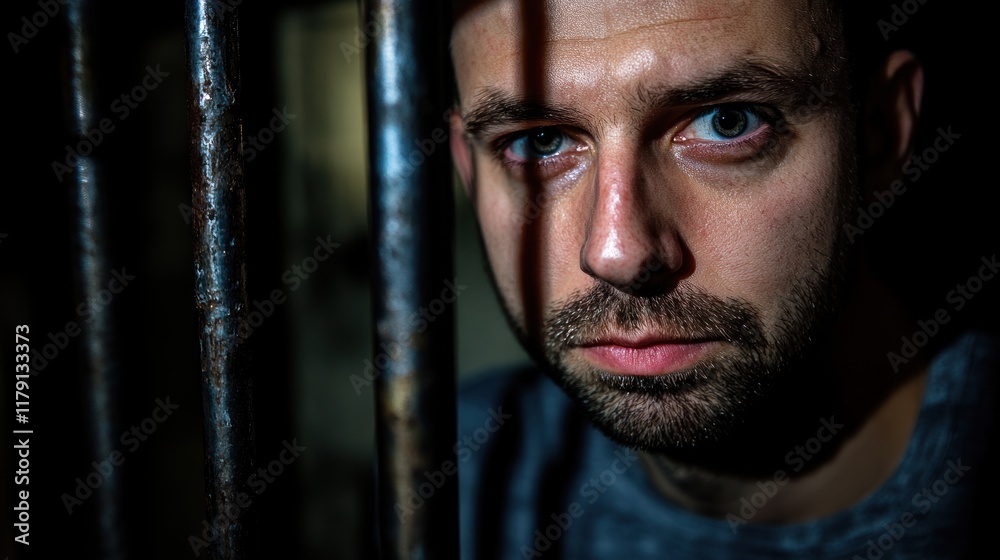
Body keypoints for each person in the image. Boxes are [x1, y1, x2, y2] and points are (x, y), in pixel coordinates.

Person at [447, 0, 996, 558]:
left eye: (726, 122)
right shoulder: (451, 478)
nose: (617, 252)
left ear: (880, 136)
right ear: (468, 170)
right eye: (539, 142)